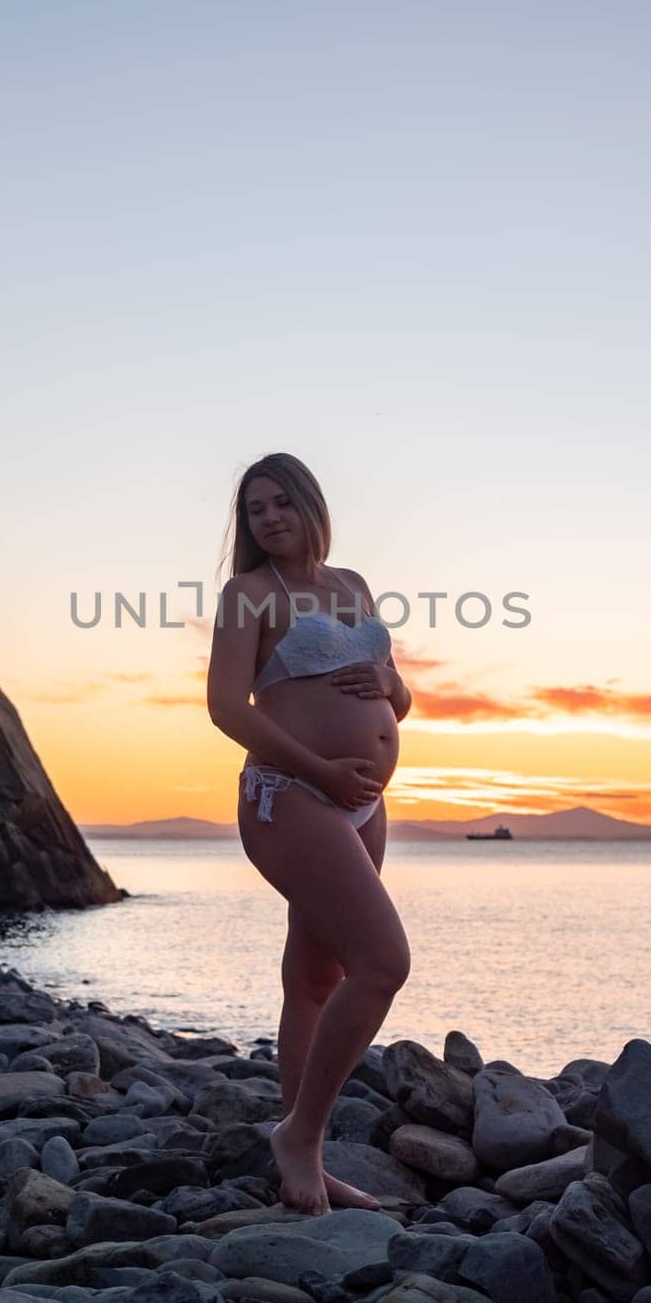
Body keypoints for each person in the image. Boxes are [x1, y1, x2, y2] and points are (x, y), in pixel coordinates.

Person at [206, 451, 413, 1215]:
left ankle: (308, 1166)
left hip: (361, 805)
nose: (268, 518)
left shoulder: (351, 587)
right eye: (255, 508)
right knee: (382, 962)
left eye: (280, 503)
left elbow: (398, 692)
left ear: (309, 506)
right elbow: (228, 708)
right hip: (290, 794)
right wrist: (323, 773)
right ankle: (298, 1135)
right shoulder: (246, 594)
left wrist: (392, 687)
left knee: (315, 979)